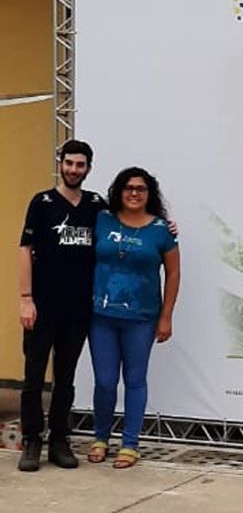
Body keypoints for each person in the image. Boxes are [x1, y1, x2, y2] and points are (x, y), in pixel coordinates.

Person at [18, 140, 106, 471]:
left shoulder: (96, 205)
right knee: (33, 377)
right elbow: (25, 249)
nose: (73, 170)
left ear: (88, 168)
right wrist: (26, 299)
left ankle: (59, 440)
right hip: (41, 306)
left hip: (78, 308)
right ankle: (31, 441)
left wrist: (166, 224)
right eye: (69, 163)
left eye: (80, 165)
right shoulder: (41, 203)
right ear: (61, 163)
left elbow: (130, 221)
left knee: (65, 378)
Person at [87, 167, 180, 469]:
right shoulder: (102, 219)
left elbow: (173, 273)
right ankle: (101, 438)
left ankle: (130, 444)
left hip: (142, 318)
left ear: (149, 193)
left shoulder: (162, 230)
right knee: (105, 381)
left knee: (135, 380)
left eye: (141, 188)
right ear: (119, 191)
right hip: (101, 316)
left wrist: (166, 317)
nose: (134, 193)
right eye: (128, 188)